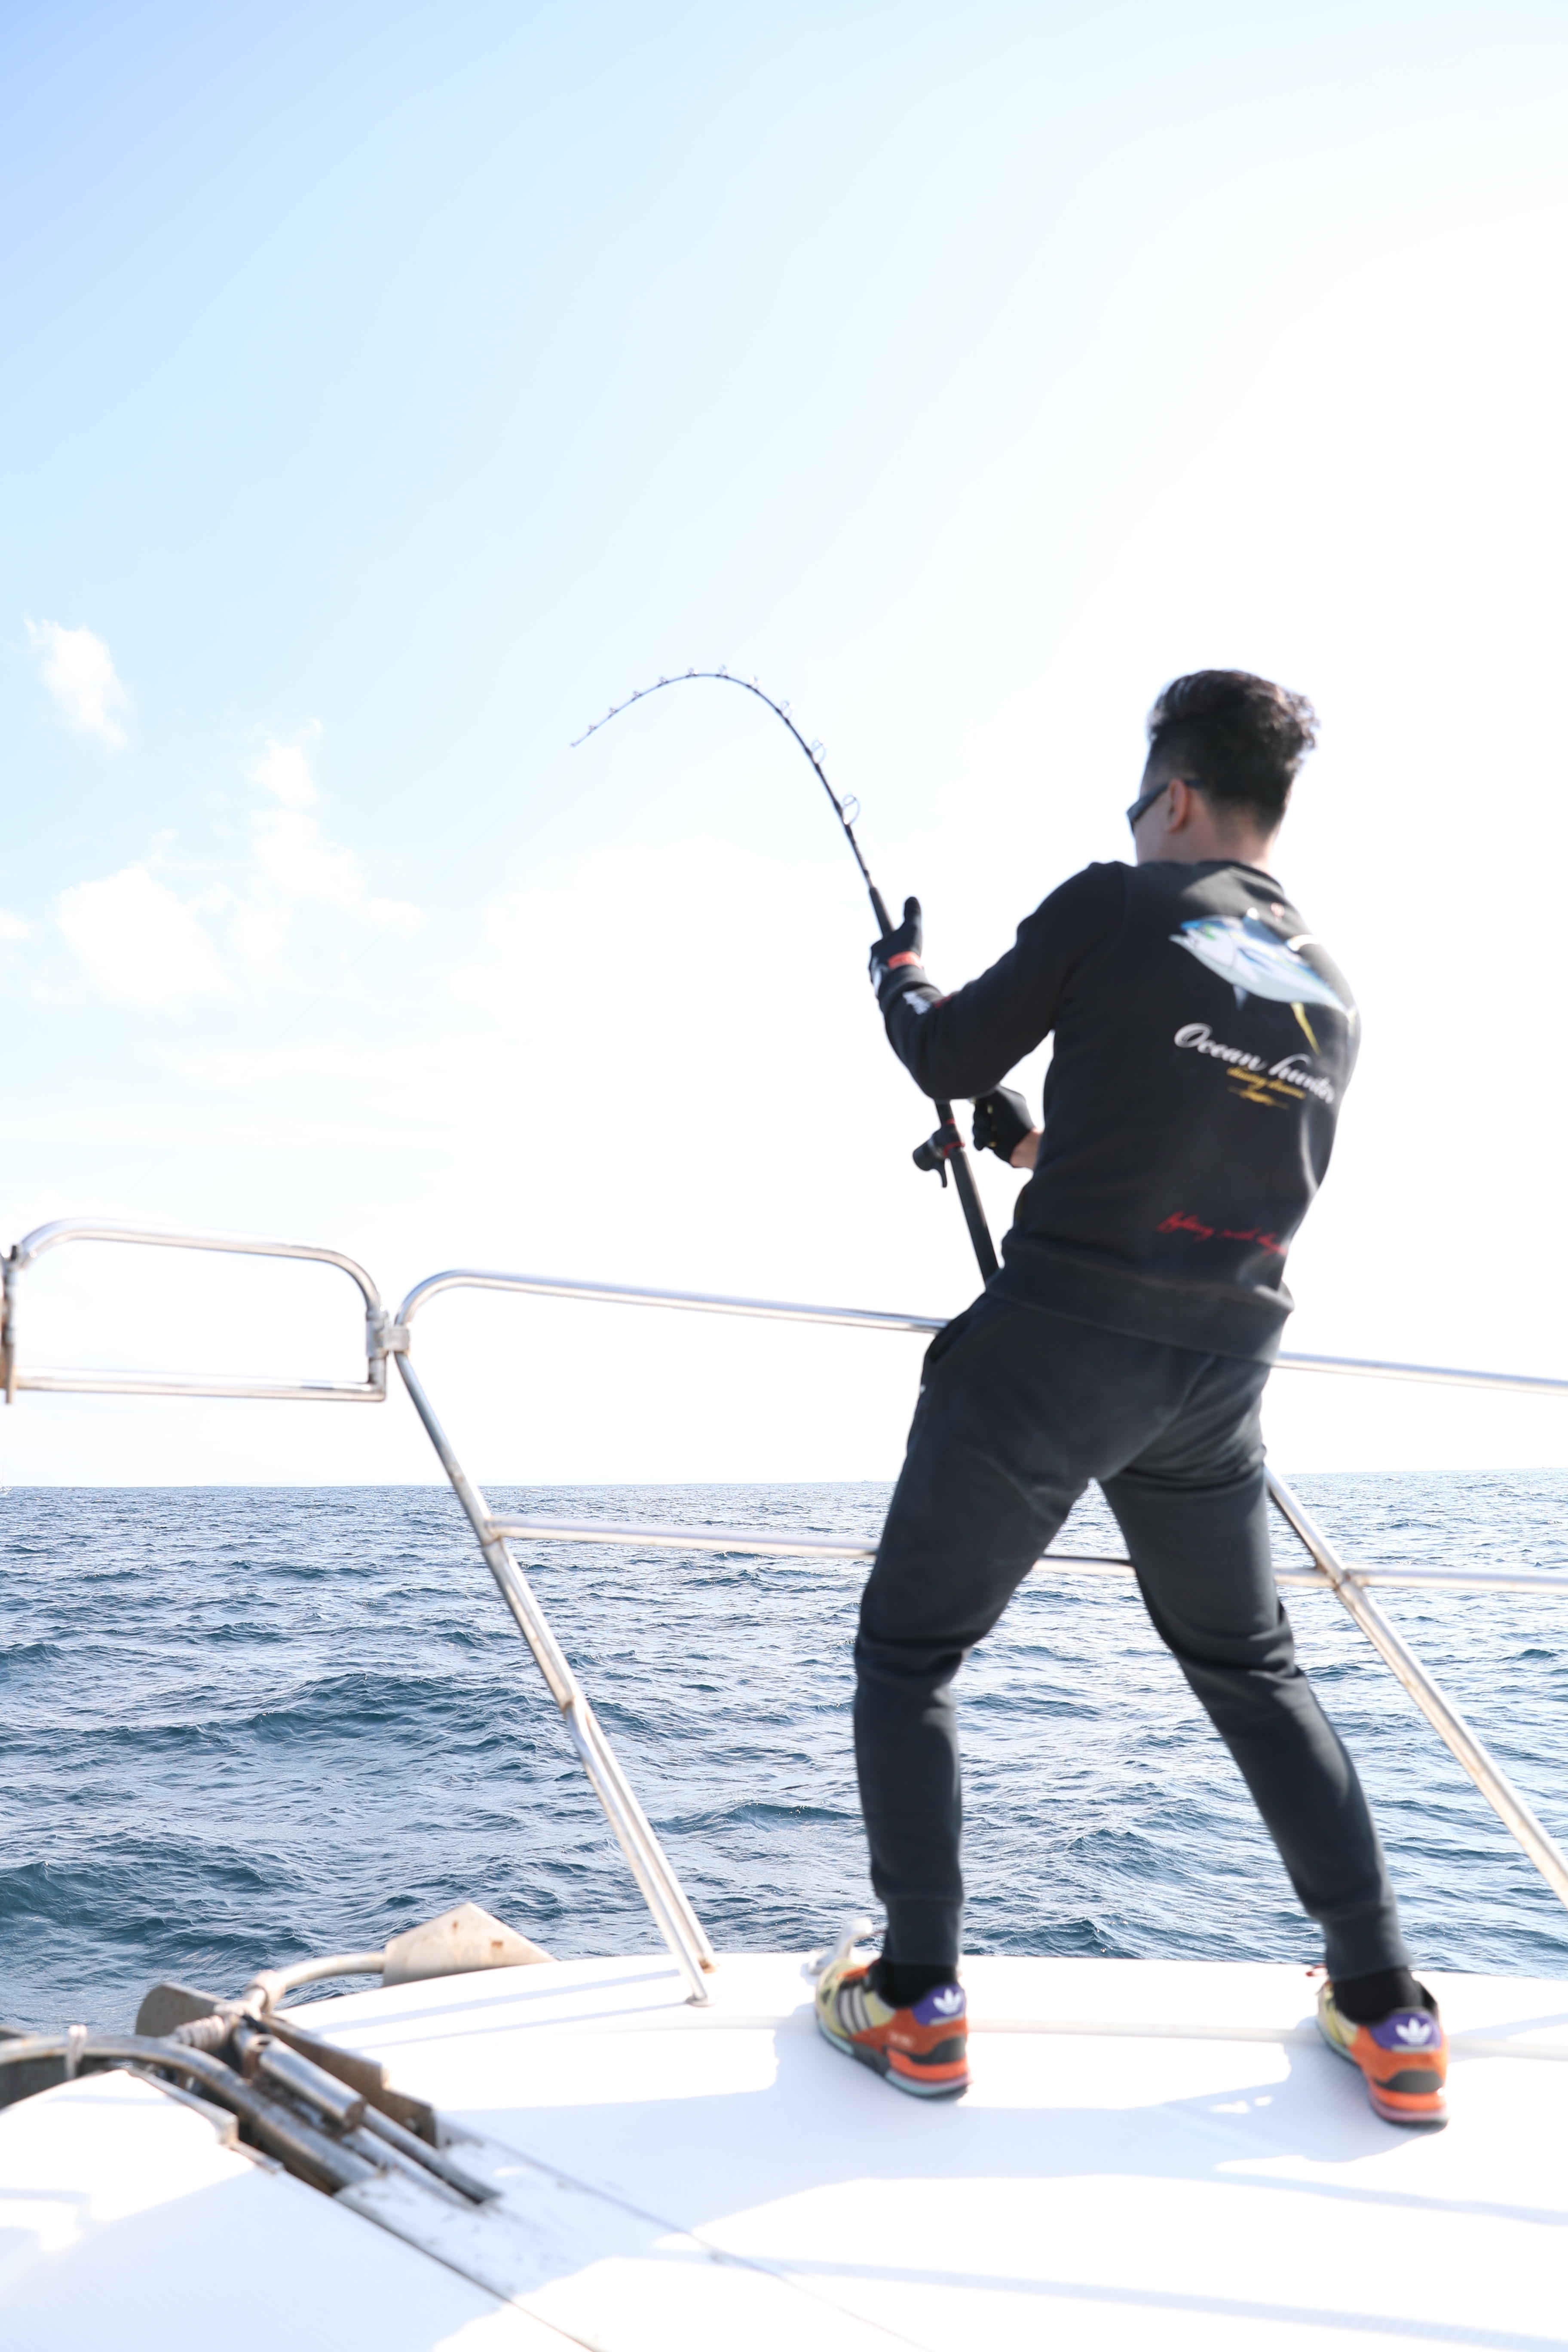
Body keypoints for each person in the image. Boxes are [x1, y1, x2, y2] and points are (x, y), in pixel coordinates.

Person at [815, 669, 1448, 2128]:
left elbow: (942, 1049)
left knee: (908, 1658)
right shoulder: (1330, 989)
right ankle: (1389, 2008)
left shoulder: (1115, 901)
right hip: (1217, 1383)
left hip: (1053, 1357)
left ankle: (915, 2004)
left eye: (1135, 799)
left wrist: (898, 975)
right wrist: (1035, 1147)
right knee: (1254, 1672)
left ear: (1171, 796)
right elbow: (1199, 1173)